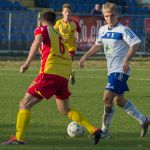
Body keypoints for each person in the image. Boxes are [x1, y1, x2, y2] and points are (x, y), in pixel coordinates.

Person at [1, 10, 101, 145]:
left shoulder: (42, 29)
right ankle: (94, 130)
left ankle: (18, 138)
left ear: (41, 20)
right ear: (55, 22)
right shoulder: (58, 34)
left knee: (24, 103)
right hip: (63, 75)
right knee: (65, 109)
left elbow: (37, 42)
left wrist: (27, 63)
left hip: (50, 73)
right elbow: (65, 56)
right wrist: (69, 73)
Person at [79, 2, 150, 138]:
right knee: (119, 101)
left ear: (117, 15)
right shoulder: (102, 30)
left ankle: (104, 131)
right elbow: (97, 45)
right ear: (103, 16)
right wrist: (85, 55)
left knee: (107, 98)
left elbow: (135, 44)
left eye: (112, 15)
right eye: (106, 16)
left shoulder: (123, 29)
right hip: (111, 70)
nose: (109, 18)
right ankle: (144, 120)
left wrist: (126, 59)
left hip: (121, 69)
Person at [54, 3, 81, 85]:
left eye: (69, 12)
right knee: (62, 64)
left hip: (71, 48)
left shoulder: (74, 23)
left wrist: (78, 39)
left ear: (71, 13)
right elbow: (54, 32)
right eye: (66, 11)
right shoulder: (58, 23)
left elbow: (79, 31)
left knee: (68, 62)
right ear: (62, 12)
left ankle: (65, 79)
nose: (68, 13)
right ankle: (71, 74)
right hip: (61, 48)